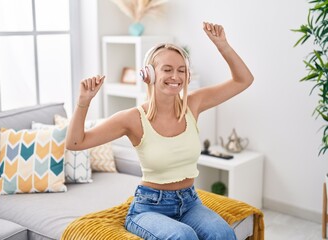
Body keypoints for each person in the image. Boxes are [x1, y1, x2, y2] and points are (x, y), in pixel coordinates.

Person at [66, 21, 254, 240]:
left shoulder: (193, 104)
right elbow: (75, 143)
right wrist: (83, 102)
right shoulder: (133, 118)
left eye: (181, 70)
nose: (175, 76)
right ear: (149, 74)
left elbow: (244, 80)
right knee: (183, 236)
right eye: (167, 69)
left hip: (190, 202)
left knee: (223, 234)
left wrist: (223, 45)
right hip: (149, 207)